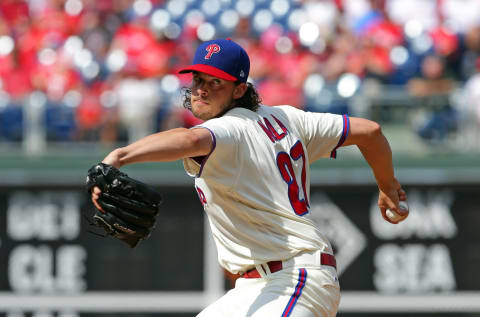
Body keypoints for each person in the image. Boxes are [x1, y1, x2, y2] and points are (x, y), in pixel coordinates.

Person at [91, 38, 408, 317]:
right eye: (198, 79)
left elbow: (189, 141)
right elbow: (370, 132)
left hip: (294, 277)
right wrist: (387, 186)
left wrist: (120, 155)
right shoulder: (288, 117)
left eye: (216, 83)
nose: (201, 89)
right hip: (253, 287)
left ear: (240, 90)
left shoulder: (229, 128)